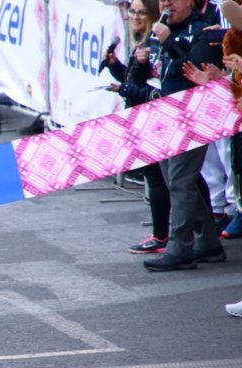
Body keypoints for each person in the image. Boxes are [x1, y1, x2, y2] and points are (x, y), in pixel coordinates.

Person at [141, 0, 226, 271]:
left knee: (180, 181)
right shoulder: (160, 31)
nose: (166, 3)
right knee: (176, 181)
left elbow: (191, 67)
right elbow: (155, 74)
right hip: (164, 116)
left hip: (191, 116)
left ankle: (180, 248)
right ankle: (208, 244)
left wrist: (168, 42)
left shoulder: (202, 31)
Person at [106, 0, 172, 253]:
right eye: (132, 11)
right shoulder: (143, 43)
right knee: (165, 177)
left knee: (158, 178)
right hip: (141, 116)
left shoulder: (153, 45)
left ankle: (161, 236)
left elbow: (150, 91)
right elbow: (133, 80)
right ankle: (172, 232)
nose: (134, 16)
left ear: (153, 14)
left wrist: (123, 87)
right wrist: (114, 66)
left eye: (141, 12)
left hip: (151, 119)